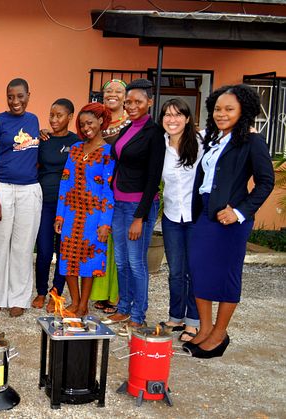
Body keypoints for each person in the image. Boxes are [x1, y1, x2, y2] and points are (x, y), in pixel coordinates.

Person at [184, 84, 274, 358]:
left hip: (230, 222)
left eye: (229, 109)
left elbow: (265, 182)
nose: (221, 114)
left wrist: (239, 211)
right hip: (205, 216)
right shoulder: (214, 139)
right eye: (217, 109)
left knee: (226, 277)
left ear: (243, 110)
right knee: (198, 271)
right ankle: (205, 329)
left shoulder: (251, 140)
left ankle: (220, 335)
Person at [102, 78, 164, 333]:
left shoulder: (154, 133)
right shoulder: (128, 128)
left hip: (138, 207)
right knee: (121, 262)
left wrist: (140, 217)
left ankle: (138, 313)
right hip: (118, 204)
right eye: (129, 101)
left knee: (136, 262)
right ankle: (124, 308)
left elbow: (153, 179)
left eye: (138, 101)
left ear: (149, 102)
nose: (132, 105)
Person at [0, 78, 41, 317]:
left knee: (23, 247)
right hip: (1, 189)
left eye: (20, 96)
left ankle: (18, 297)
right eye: (10, 97)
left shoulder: (34, 120)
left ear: (28, 94)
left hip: (29, 190)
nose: (15, 101)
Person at [54, 103, 115, 317]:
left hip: (94, 215)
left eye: (90, 122)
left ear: (101, 121)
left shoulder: (108, 152)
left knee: (88, 260)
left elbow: (108, 189)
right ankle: (75, 301)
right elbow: (64, 182)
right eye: (82, 124)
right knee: (68, 257)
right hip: (71, 213)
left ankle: (83, 305)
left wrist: (105, 222)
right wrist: (60, 215)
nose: (86, 127)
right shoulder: (76, 149)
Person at [158, 98, 202, 342]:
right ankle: (176, 317)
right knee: (176, 271)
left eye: (177, 115)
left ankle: (194, 321)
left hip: (196, 217)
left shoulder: (201, 142)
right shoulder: (160, 144)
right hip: (172, 216)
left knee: (193, 270)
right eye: (167, 114)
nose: (171, 119)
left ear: (187, 118)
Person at [34, 98, 78, 312]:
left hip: (68, 206)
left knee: (64, 250)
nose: (53, 119)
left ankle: (56, 292)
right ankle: (41, 291)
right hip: (44, 201)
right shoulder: (43, 139)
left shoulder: (77, 142)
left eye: (59, 115)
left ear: (70, 117)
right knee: (43, 250)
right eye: (51, 115)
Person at [92, 79, 127, 314]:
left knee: (117, 245)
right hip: (96, 191)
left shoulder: (131, 123)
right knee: (98, 241)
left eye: (118, 91)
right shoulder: (98, 121)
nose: (112, 94)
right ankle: (99, 293)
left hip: (121, 189)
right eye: (108, 91)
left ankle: (117, 295)